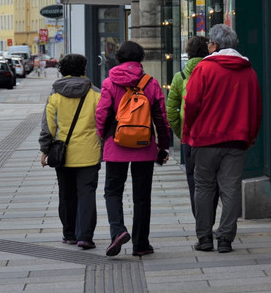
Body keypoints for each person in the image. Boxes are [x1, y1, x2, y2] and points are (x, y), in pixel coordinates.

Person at [183, 24, 262, 254]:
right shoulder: (248, 70)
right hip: (236, 139)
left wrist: (190, 128)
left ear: (215, 45)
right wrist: (252, 134)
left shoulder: (204, 69)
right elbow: (256, 107)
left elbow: (192, 103)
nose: (208, 45)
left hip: (206, 138)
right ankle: (226, 238)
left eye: (209, 42)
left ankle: (204, 238)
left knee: (204, 187)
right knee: (231, 188)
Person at [96, 41, 171, 258]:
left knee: (112, 191)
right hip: (144, 147)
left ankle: (118, 231)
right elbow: (161, 118)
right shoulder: (151, 83)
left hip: (116, 145)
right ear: (140, 59)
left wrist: (105, 136)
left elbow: (101, 114)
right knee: (142, 197)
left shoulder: (110, 82)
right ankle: (141, 244)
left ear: (118, 58)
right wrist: (163, 146)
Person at [38, 54, 102, 249]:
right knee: (87, 194)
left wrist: (45, 149)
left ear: (62, 71)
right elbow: (103, 123)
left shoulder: (55, 95)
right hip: (89, 153)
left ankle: (69, 234)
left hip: (63, 154)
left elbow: (48, 126)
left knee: (66, 194)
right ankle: (85, 236)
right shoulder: (96, 94)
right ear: (84, 70)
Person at [166, 35, 217, 216]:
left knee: (193, 180)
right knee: (214, 179)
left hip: (191, 137)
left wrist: (182, 133)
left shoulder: (179, 77)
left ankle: (200, 220)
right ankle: (211, 215)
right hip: (214, 135)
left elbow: (171, 111)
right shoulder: (215, 72)